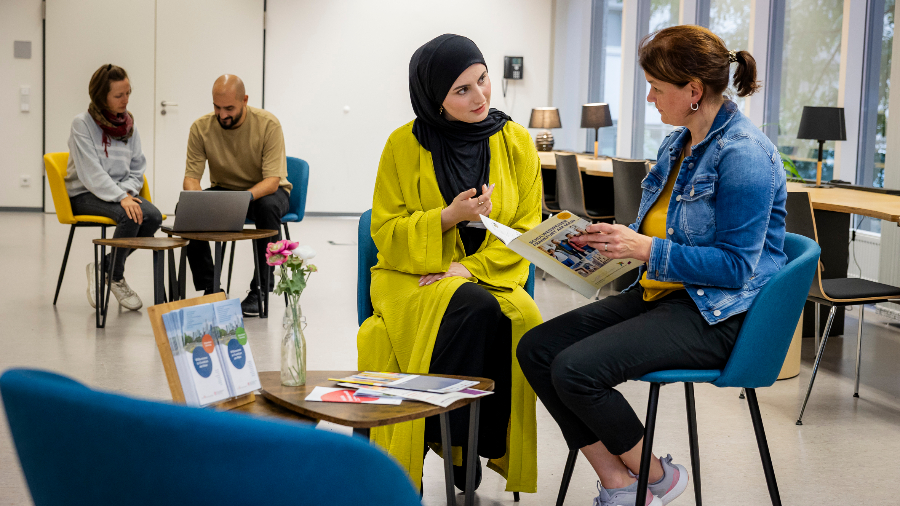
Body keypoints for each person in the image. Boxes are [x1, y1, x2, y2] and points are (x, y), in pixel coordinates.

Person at [517, 25, 786, 506]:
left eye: (657, 89)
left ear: (694, 91)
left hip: (716, 314)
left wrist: (643, 249)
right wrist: (602, 243)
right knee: (537, 348)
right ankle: (622, 485)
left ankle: (654, 478)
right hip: (661, 296)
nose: (648, 98)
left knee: (576, 370)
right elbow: (664, 233)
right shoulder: (675, 145)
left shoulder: (745, 156)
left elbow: (735, 268)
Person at [357, 34, 543, 495]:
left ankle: (452, 440)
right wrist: (449, 216)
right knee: (474, 308)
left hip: (488, 273)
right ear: (435, 99)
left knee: (516, 316)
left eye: (482, 80)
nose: (480, 97)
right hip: (411, 276)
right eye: (462, 90)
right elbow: (385, 231)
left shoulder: (516, 140)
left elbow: (528, 228)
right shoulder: (403, 145)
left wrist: (472, 269)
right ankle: (458, 444)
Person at [182, 74, 291, 316]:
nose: (222, 115)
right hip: (225, 189)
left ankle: (261, 289)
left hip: (265, 192)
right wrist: (198, 202)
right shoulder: (201, 128)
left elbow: (272, 181)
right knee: (185, 208)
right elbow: (191, 178)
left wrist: (243, 198)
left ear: (245, 100)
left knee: (267, 208)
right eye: (217, 107)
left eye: (229, 108)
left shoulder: (267, 124)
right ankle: (211, 288)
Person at [66, 64, 163, 311]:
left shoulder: (129, 124)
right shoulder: (82, 124)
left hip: (120, 193)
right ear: (101, 97)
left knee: (151, 218)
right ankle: (116, 277)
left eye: (128, 93)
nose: (125, 100)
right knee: (128, 216)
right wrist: (121, 197)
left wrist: (128, 192)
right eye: (118, 95)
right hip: (86, 192)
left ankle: (104, 267)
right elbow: (91, 173)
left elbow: (137, 166)